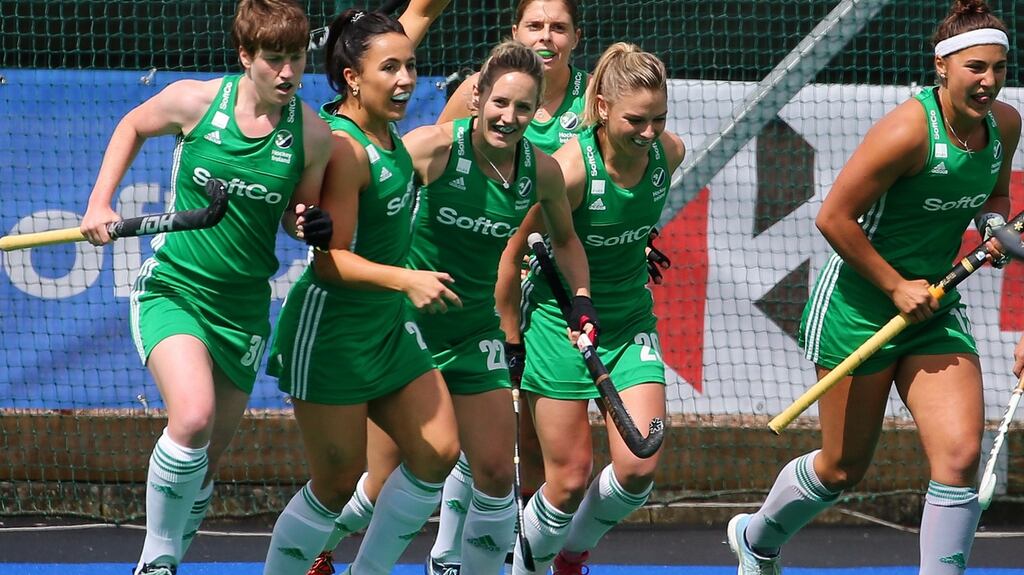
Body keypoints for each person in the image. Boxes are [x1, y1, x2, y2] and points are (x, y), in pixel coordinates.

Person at [727, 1, 1020, 574]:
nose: (989, 81)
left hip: (935, 308)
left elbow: (996, 196)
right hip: (857, 307)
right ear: (942, 66)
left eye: (1000, 69)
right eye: (976, 68)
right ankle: (756, 541)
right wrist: (893, 287)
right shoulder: (908, 130)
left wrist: (993, 228)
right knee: (841, 468)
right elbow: (834, 216)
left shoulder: (1005, 124)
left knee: (959, 458)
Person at [78, 1, 334, 574]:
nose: (288, 72)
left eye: (296, 58)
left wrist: (307, 223)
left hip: (243, 312)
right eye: (274, 60)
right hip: (175, 289)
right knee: (190, 419)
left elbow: (302, 211)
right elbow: (133, 125)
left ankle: (170, 549)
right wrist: (100, 201)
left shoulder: (313, 135)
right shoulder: (196, 101)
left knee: (203, 465)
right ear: (246, 58)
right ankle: (156, 563)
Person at [260, 5, 457, 575]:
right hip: (333, 333)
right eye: (390, 69)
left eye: (411, 67)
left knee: (438, 450)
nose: (405, 80)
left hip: (385, 327)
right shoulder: (346, 149)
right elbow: (329, 264)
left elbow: (396, 30)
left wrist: (421, 13)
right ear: (353, 78)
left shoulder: (385, 127)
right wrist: (407, 279)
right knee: (337, 483)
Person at [495, 42, 684, 575]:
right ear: (602, 107)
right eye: (636, 120)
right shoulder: (569, 170)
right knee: (569, 479)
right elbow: (513, 253)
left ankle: (571, 555)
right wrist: (511, 340)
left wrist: (642, 242)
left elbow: (635, 220)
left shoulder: (670, 153)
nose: (649, 133)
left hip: (628, 322)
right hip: (557, 325)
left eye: (659, 118)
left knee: (639, 467)